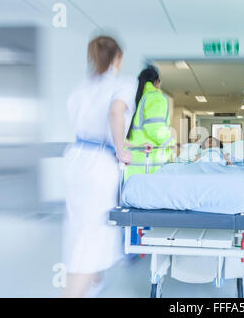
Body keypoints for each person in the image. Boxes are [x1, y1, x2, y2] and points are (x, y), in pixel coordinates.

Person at [63, 36, 135, 298]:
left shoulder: (83, 87)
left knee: (80, 228)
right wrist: (121, 149)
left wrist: (126, 146)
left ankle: (95, 283)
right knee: (90, 236)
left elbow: (93, 130)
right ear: (118, 57)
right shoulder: (123, 82)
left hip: (75, 159)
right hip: (98, 167)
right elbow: (116, 113)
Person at [125, 66, 174, 178]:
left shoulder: (135, 97)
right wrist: (170, 142)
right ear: (157, 81)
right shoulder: (155, 96)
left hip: (131, 159)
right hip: (148, 161)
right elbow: (156, 128)